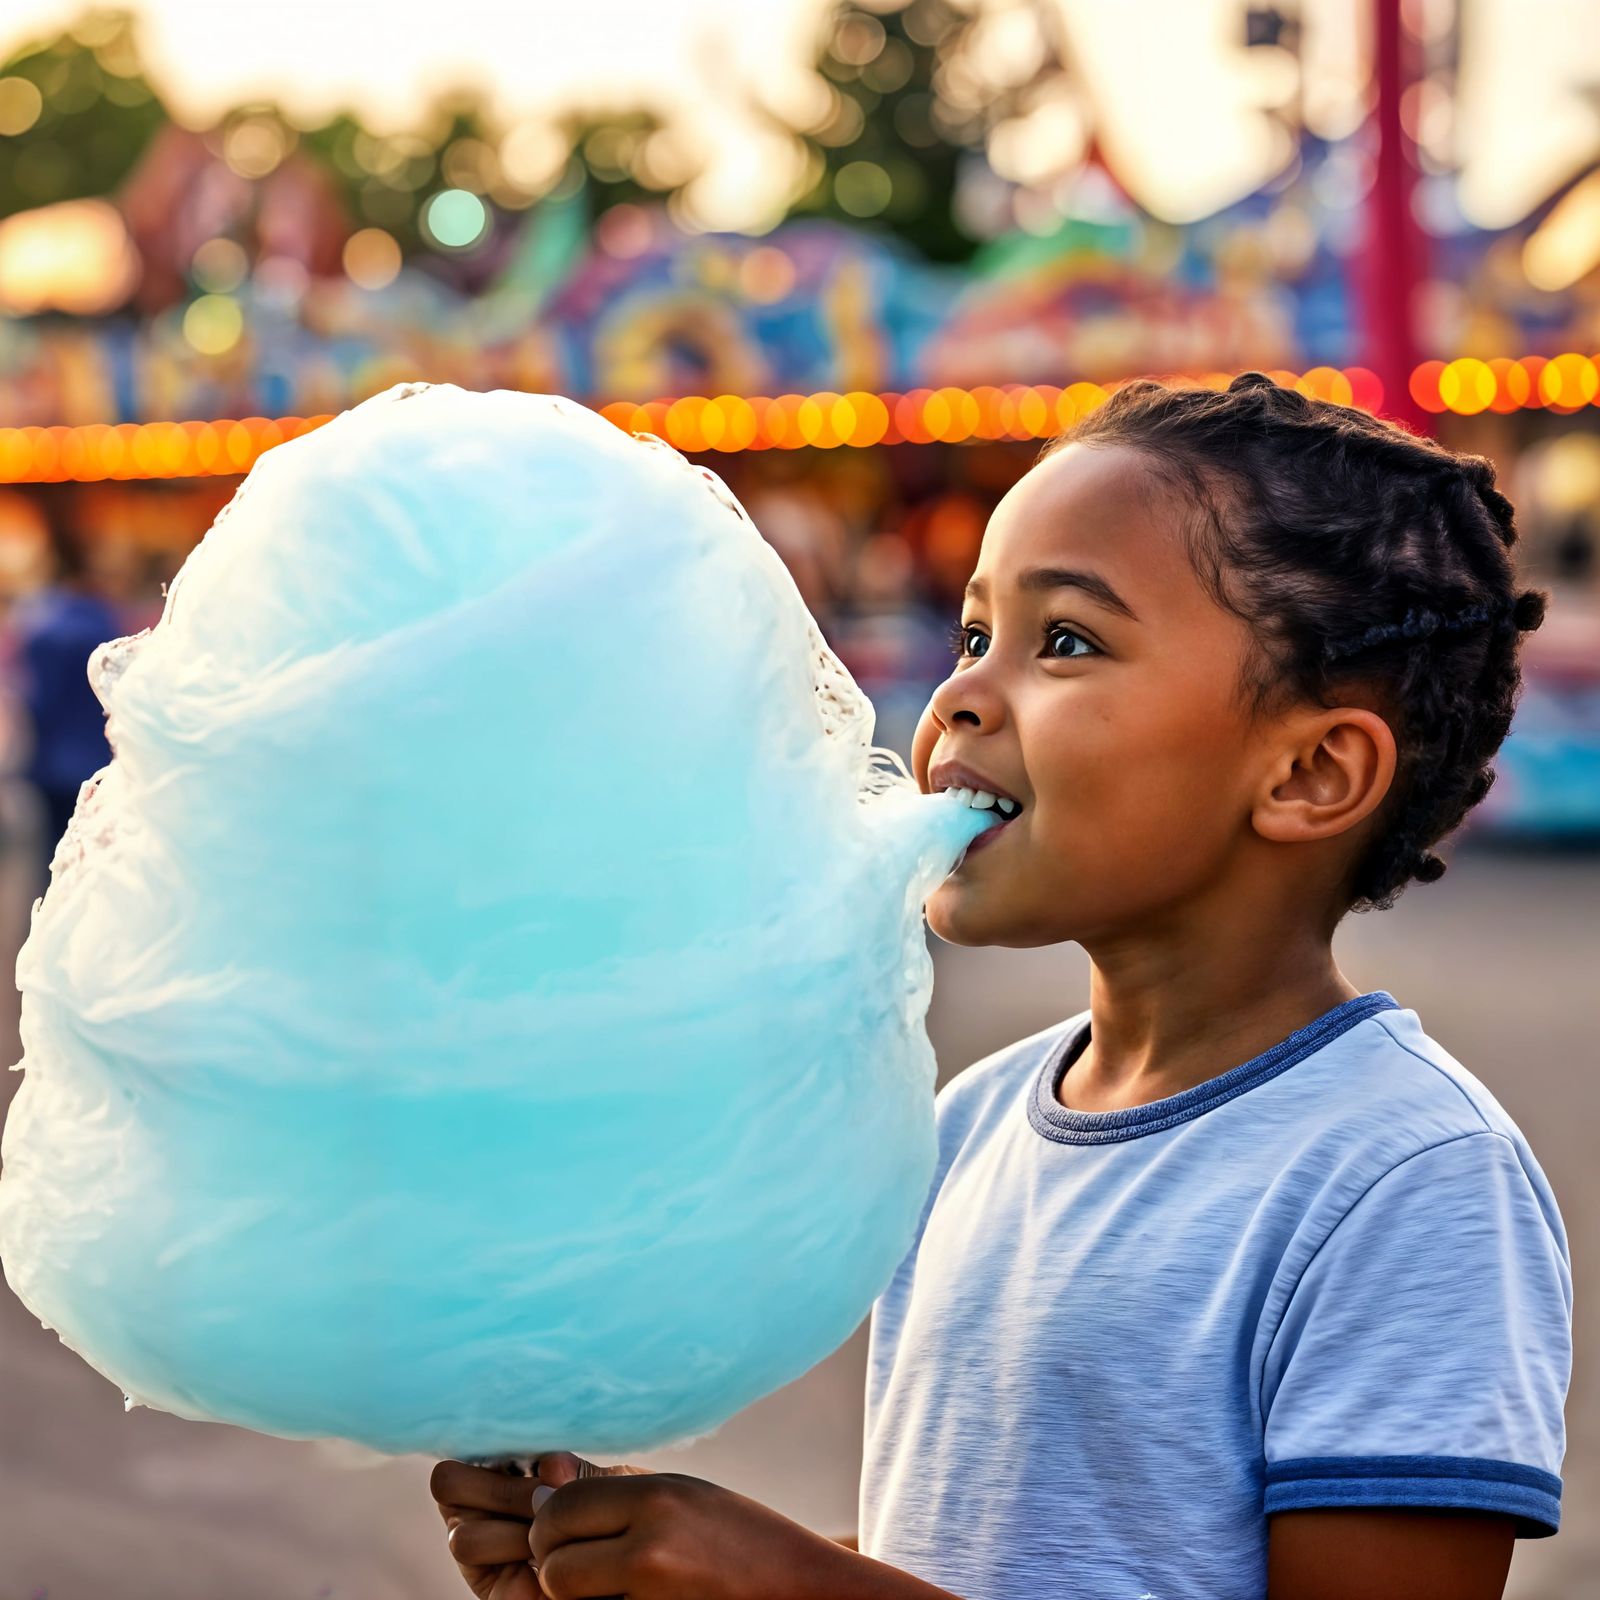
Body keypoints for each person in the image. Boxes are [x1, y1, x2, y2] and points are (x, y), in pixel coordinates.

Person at [428, 372, 1572, 1600]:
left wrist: (796, 1589)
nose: (958, 693)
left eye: (1064, 641)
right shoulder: (967, 1124)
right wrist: (656, 1565)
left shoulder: (1402, 1180)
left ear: (1308, 771)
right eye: (974, 634)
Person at [8, 489, 124, 891]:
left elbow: (35, 702)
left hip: (50, 763)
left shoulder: (41, 628)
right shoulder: (107, 622)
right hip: (96, 758)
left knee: (52, 863)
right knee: (91, 862)